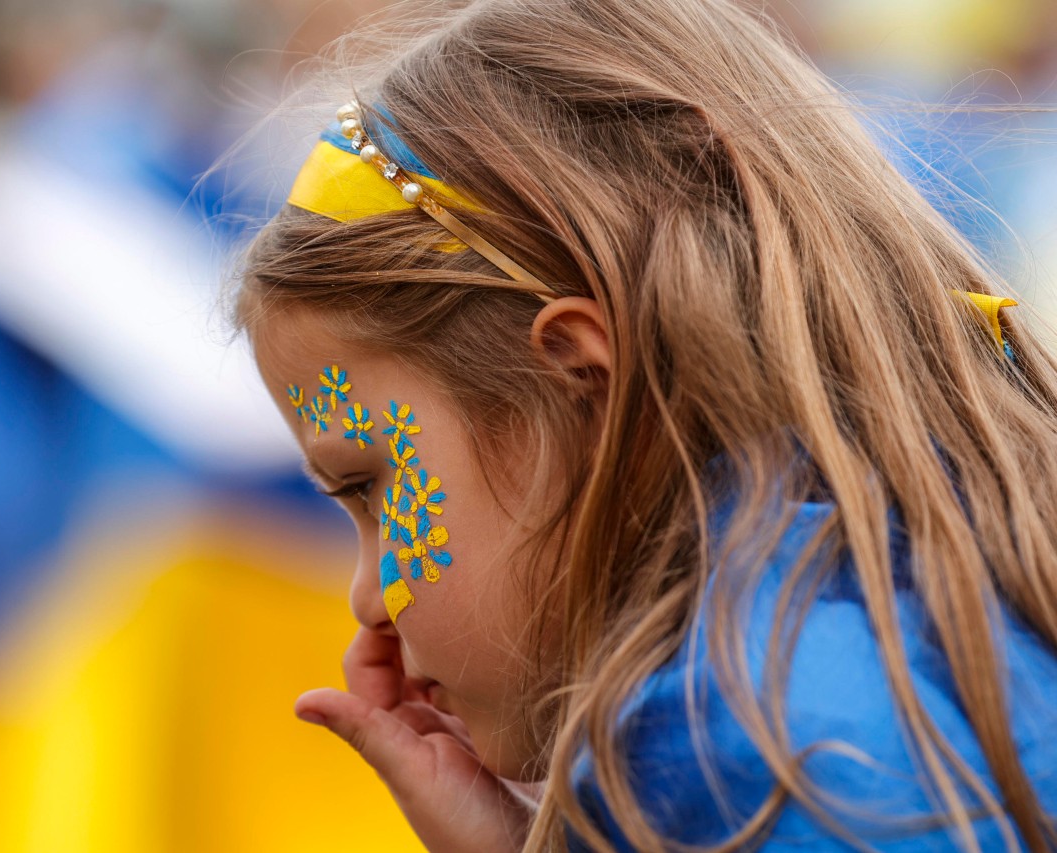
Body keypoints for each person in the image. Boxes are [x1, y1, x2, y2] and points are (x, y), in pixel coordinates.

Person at [232, 0, 1057, 848]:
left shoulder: (727, 744)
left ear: (585, 377)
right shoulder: (954, 570)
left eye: (370, 487)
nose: (366, 598)